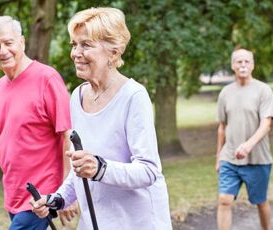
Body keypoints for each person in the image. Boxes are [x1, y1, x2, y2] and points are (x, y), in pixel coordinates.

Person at [30, 7, 172, 229]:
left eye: (85, 45)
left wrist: (100, 168)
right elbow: (82, 168)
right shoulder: (77, 97)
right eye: (74, 44)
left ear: (114, 52)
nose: (76, 53)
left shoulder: (133, 96)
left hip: (137, 222)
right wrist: (57, 199)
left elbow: (148, 170)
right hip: (95, 221)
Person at [0, 15, 75, 229]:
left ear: (21, 42)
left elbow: (67, 134)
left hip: (40, 196)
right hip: (13, 196)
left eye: (8, 42)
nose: (3, 50)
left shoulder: (47, 79)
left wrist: (66, 191)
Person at [216, 49, 273, 230]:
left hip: (258, 159)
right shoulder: (225, 93)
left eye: (246, 62)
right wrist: (218, 156)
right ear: (233, 66)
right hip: (229, 157)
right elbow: (222, 127)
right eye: (239, 62)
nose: (243, 65)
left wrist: (248, 145)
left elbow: (266, 124)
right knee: (224, 200)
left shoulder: (263, 90)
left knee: (260, 201)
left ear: (252, 65)